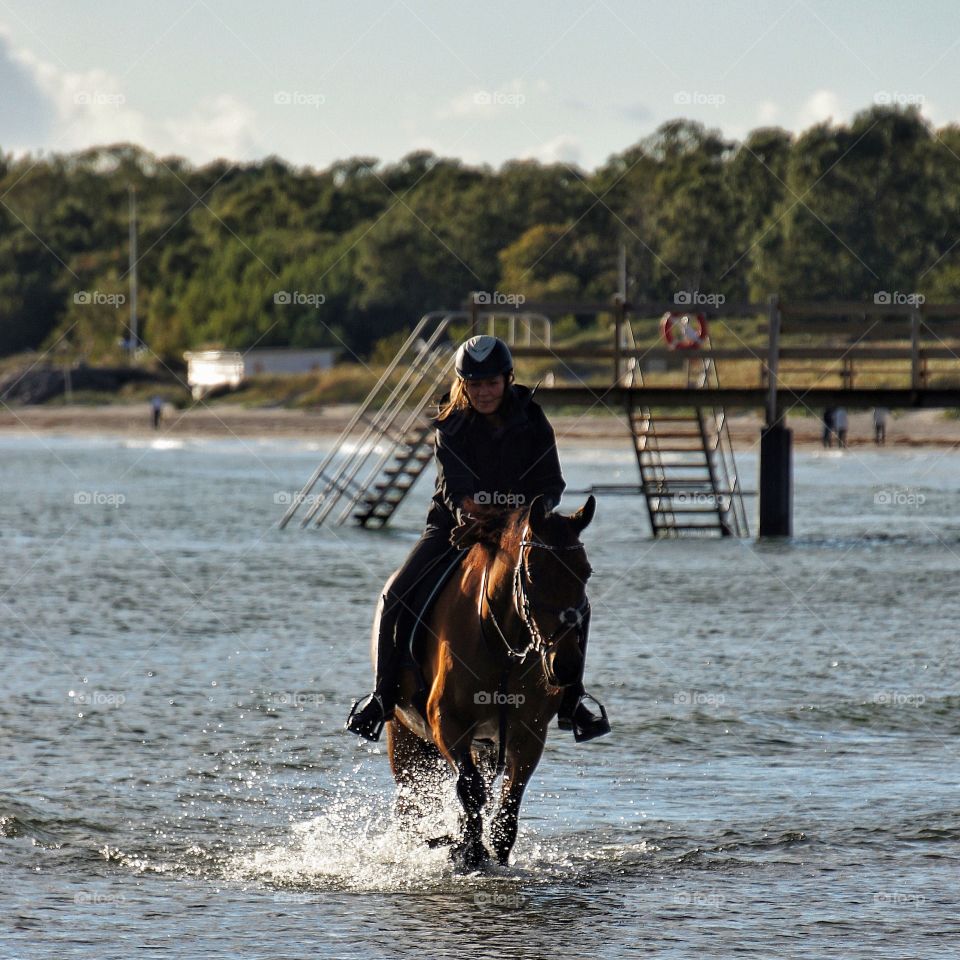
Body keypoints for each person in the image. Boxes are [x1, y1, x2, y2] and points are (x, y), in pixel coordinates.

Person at [346, 334, 610, 743]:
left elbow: (552, 483)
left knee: (576, 603)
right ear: (462, 385)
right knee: (395, 594)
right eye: (475, 384)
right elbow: (453, 488)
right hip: (454, 529)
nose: (483, 392)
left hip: (521, 532)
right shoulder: (451, 422)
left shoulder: (534, 419)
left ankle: (572, 700)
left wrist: (524, 514)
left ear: (507, 380)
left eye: (491, 383)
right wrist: (472, 512)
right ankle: (381, 699)